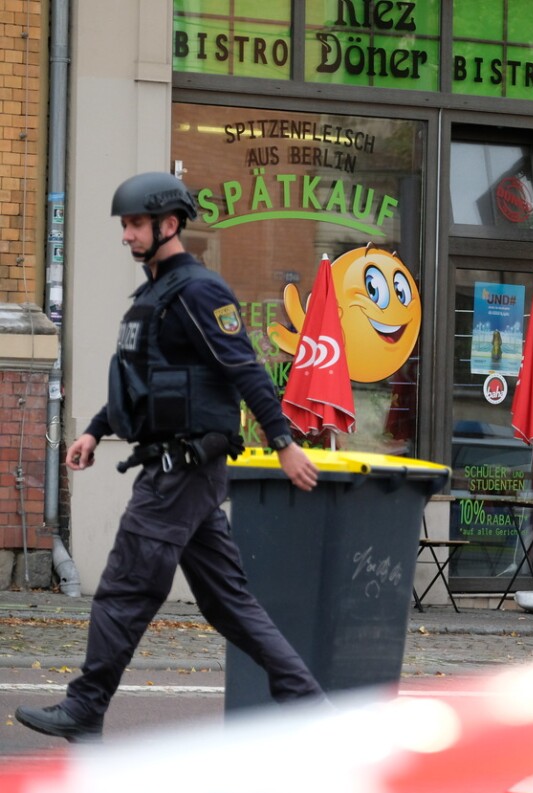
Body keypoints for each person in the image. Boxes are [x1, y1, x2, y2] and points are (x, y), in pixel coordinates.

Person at [15, 172, 325, 743]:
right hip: (183, 470)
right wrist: (95, 430)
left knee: (124, 588)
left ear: (169, 225)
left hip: (180, 471)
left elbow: (246, 369)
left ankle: (85, 707)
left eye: (135, 224)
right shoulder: (152, 296)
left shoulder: (199, 292)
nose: (126, 235)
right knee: (227, 602)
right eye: (126, 225)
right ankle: (308, 704)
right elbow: (145, 382)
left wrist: (283, 443)